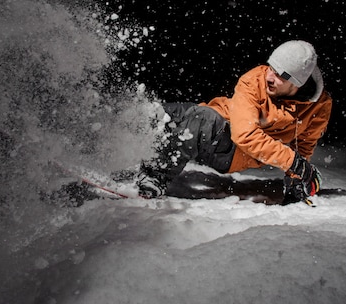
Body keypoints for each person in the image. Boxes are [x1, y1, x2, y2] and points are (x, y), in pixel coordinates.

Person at [137, 40, 332, 204]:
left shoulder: (319, 106)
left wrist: (296, 179)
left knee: (201, 119)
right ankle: (117, 155)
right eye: (271, 68)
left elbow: (301, 143)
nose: (270, 77)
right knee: (158, 114)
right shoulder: (255, 79)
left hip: (234, 152)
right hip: (219, 122)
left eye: (280, 75)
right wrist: (293, 162)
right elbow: (242, 128)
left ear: (298, 82)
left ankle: (155, 177)